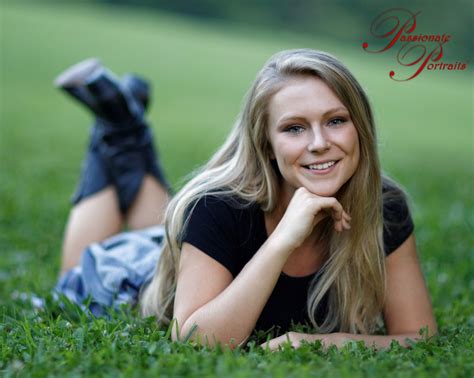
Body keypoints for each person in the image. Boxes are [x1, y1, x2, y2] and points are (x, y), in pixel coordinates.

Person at [54, 49, 437, 351]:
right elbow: (196, 341)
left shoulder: (384, 207)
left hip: (187, 255)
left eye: (336, 120)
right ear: (266, 144)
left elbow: (418, 335)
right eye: (294, 128)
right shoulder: (216, 205)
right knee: (80, 270)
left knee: (162, 231)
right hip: (127, 275)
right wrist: (283, 239)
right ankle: (118, 127)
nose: (320, 144)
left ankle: (126, 123)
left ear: (361, 128)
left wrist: (321, 343)